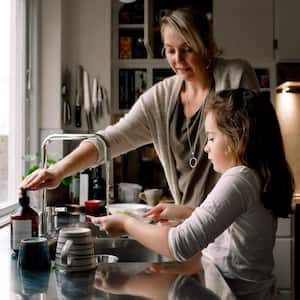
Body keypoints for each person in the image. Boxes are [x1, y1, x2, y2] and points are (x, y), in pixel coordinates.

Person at [20, 7, 260, 208]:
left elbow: (252, 153)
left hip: (234, 224)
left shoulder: (236, 76)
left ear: (206, 45)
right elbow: (109, 140)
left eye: (187, 48)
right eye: (170, 50)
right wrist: (58, 172)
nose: (177, 59)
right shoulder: (160, 98)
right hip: (192, 230)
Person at [89, 89, 294, 300]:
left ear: (237, 136)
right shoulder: (254, 175)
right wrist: (188, 213)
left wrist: (126, 224)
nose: (206, 148)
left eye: (212, 138)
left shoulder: (239, 178)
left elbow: (180, 245)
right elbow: (236, 228)